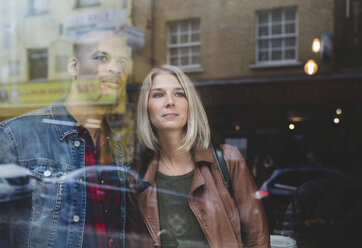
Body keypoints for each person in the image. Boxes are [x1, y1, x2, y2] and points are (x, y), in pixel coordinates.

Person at [0, 30, 130, 248]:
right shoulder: (15, 136)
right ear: (74, 67)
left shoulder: (117, 147)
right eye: (102, 57)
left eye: (123, 62)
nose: (116, 69)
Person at [126, 65, 269, 248]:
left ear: (190, 104)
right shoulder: (136, 179)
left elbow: (258, 239)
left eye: (179, 94)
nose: (170, 102)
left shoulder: (228, 160)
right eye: (158, 94)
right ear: (146, 107)